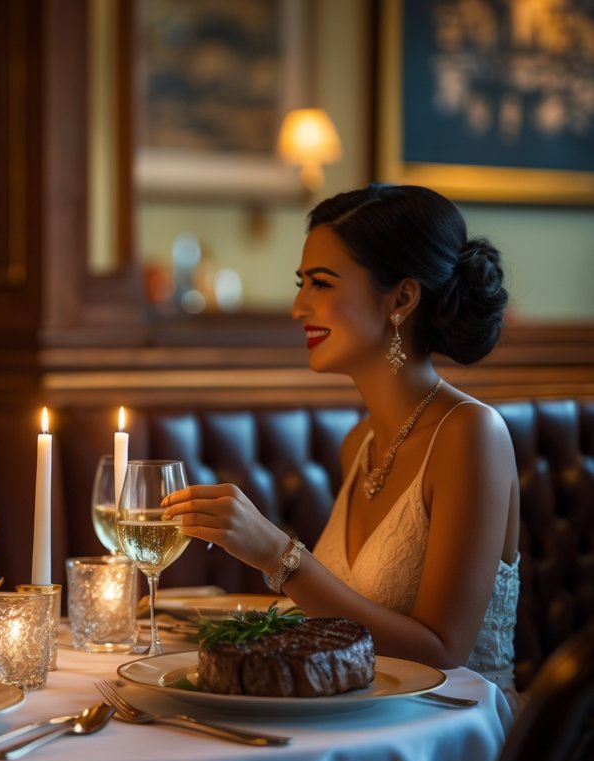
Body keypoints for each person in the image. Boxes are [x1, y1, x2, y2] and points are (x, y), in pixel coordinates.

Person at [162, 183, 520, 701]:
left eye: (322, 284)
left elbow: (444, 652)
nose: (298, 307)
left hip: (458, 739)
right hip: (362, 724)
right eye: (300, 282)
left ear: (401, 299)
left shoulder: (471, 434)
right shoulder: (361, 443)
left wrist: (277, 554)